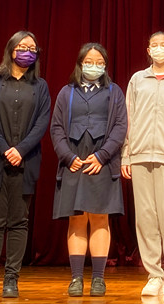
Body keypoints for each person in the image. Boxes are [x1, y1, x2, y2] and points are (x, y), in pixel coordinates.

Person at [0, 30, 51, 299]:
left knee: (19, 221)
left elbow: (42, 122)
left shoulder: (40, 86)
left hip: (26, 161)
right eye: (22, 47)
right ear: (11, 50)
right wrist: (6, 149)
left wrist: (20, 150)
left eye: (32, 48)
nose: (27, 52)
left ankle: (11, 280)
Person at [49, 42, 127, 297]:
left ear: (105, 65)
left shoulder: (114, 92)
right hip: (73, 161)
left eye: (99, 63)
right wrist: (67, 156)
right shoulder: (66, 93)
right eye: (89, 62)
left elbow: (120, 127)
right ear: (80, 63)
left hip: (102, 162)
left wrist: (102, 156)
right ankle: (76, 278)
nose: (94, 66)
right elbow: (56, 128)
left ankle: (98, 279)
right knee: (77, 219)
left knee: (100, 218)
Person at [121, 31, 164, 298]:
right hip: (139, 155)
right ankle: (154, 275)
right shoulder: (137, 79)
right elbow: (128, 117)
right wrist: (126, 154)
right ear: (148, 50)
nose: (159, 49)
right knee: (146, 218)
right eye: (154, 45)